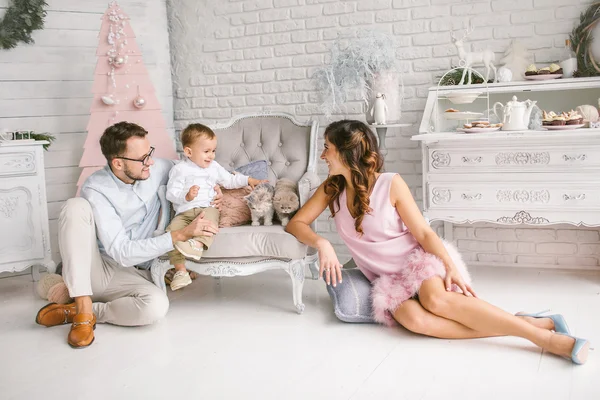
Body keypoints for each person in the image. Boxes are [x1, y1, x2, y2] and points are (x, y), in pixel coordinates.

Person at [285, 119, 590, 365]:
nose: (323, 156)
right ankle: (530, 323)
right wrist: (322, 243)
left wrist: (449, 266)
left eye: (327, 148)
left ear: (346, 152)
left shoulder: (391, 183)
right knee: (414, 321)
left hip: (417, 262)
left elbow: (424, 233)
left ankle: (546, 340)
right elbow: (296, 224)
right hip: (387, 280)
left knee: (435, 300)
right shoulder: (331, 188)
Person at [35, 122, 222, 349]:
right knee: (75, 206)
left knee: (156, 308)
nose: (151, 162)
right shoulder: (96, 188)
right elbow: (122, 253)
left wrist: (214, 189)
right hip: (104, 269)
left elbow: (195, 168)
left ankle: (77, 311)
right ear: (118, 163)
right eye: (143, 158)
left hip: (139, 274)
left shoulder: (156, 169)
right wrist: (179, 235)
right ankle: (83, 310)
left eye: (150, 153)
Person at [165, 123, 267, 290]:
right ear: (189, 152)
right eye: (206, 151)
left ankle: (196, 245)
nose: (211, 155)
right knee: (172, 232)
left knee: (210, 224)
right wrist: (186, 196)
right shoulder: (180, 169)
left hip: (207, 208)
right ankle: (181, 271)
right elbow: (171, 193)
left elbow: (229, 180)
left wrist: (249, 180)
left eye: (213, 151)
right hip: (184, 212)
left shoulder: (214, 167)